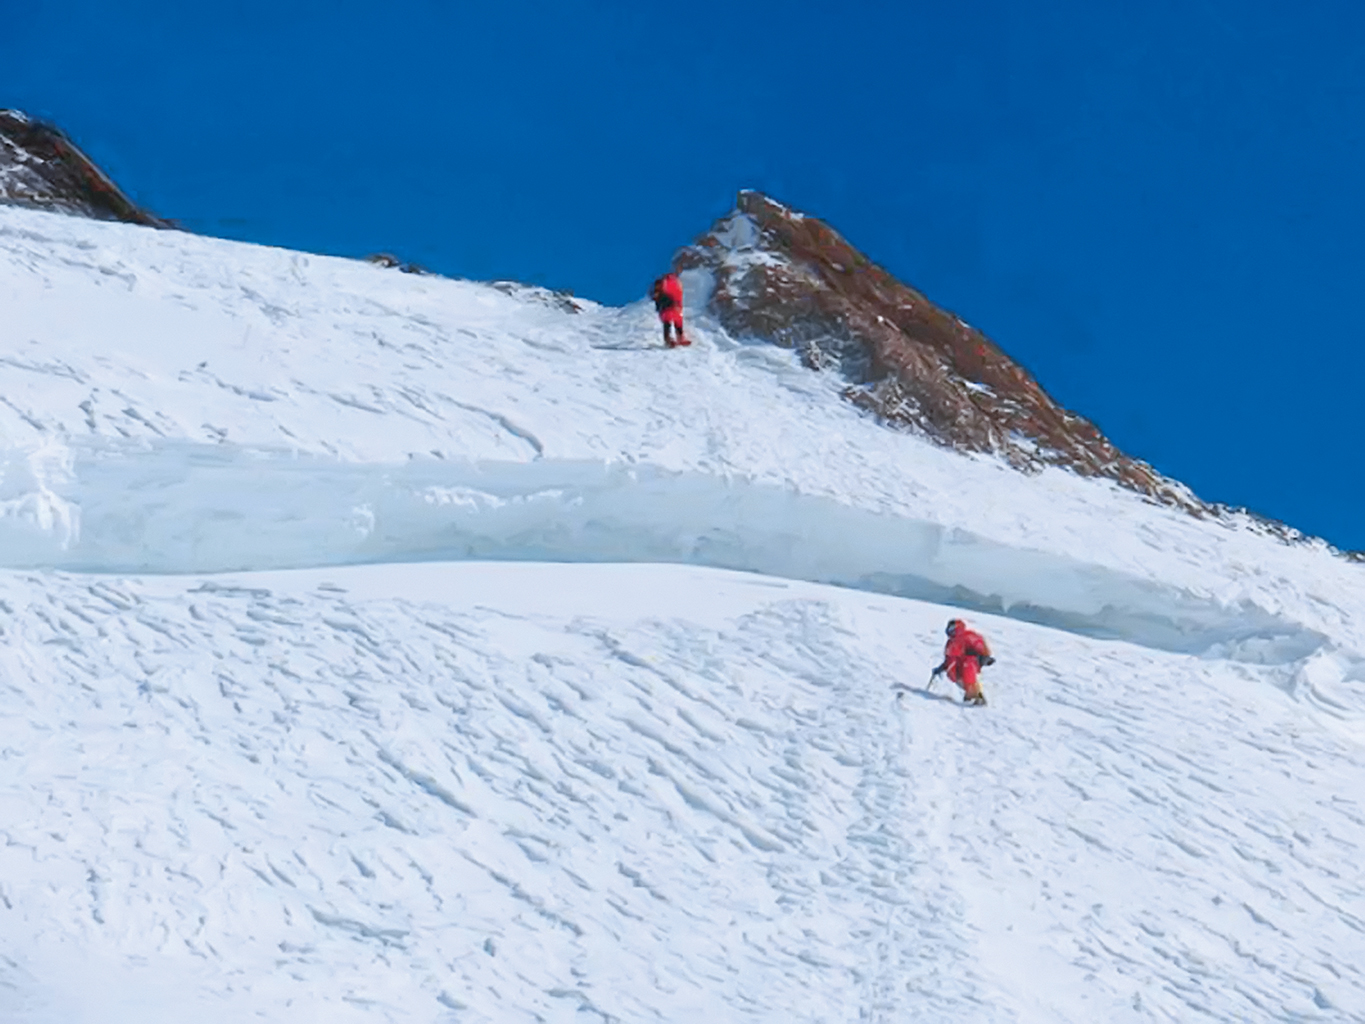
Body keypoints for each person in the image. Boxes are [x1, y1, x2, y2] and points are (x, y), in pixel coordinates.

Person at [931, 618, 994, 706]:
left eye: (952, 629)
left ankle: (977, 698)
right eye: (949, 629)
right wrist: (942, 667)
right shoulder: (951, 643)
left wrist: (984, 657)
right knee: (964, 682)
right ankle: (971, 697)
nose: (950, 632)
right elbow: (950, 659)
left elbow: (981, 646)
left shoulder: (968, 637)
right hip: (957, 672)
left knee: (969, 675)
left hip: (968, 666)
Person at [650, 271, 688, 347]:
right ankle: (676, 338)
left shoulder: (663, 283)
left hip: (669, 306)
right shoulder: (674, 282)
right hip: (671, 306)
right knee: (674, 322)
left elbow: (655, 295)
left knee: (669, 322)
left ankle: (670, 339)